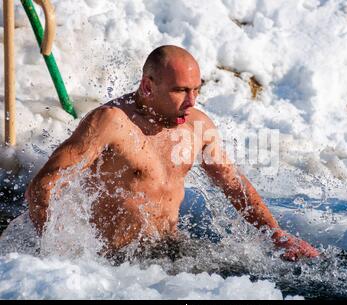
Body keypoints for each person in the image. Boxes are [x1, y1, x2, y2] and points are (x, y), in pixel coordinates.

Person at [25, 45, 319, 261]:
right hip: (110, 263)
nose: (191, 102)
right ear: (147, 86)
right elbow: (43, 185)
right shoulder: (111, 122)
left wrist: (275, 234)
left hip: (168, 254)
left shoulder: (197, 126)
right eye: (180, 91)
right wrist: (58, 253)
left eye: (196, 90)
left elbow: (233, 184)